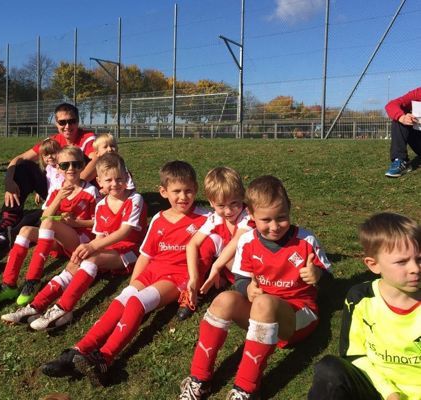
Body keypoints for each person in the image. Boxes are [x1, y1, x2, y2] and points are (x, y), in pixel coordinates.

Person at [40, 160, 218, 386]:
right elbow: (145, 255)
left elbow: (232, 230)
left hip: (176, 278)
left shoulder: (206, 218)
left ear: (196, 190)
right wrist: (132, 284)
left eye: (189, 191)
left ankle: (105, 358)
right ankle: (76, 352)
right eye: (177, 192)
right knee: (121, 301)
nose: (183, 197)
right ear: (163, 192)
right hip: (151, 272)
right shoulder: (159, 220)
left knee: (135, 303)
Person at [178, 175, 332, 400]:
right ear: (250, 215)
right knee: (224, 299)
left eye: (281, 218)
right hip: (262, 315)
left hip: (298, 317)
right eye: (266, 220)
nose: (274, 226)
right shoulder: (248, 240)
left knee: (263, 302)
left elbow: (330, 279)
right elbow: (241, 279)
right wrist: (246, 289)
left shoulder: (305, 240)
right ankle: (199, 380)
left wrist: (318, 275)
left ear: (289, 210)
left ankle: (245, 389)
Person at [1, 153, 147, 331]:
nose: (115, 184)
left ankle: (63, 308)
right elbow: (100, 236)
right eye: (109, 180)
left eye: (119, 179)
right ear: (100, 181)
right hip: (107, 249)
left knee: (91, 259)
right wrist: (87, 249)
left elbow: (125, 233)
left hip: (131, 252)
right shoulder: (102, 205)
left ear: (127, 177)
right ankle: (35, 306)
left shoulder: (135, 199)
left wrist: (91, 247)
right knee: (73, 263)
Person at [308, 212, 420, 400]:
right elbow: (354, 354)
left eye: (419, 259)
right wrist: (390, 393)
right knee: (329, 370)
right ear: (373, 265)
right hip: (377, 388)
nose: (415, 268)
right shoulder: (360, 298)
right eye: (402, 262)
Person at [0, 146, 99, 306]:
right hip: (58, 239)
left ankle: (33, 280)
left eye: (76, 164)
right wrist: (59, 198)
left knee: (49, 223)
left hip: (79, 241)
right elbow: (44, 216)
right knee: (25, 230)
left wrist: (76, 223)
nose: (71, 169)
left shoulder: (91, 191)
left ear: (83, 166)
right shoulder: (57, 189)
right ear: (58, 168)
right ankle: (9, 284)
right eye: (65, 165)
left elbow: (98, 222)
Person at [0, 103, 97, 236]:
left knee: (77, 158)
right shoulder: (53, 141)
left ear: (78, 121)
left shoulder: (87, 138)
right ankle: (10, 217)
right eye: (62, 122)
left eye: (72, 121)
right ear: (56, 123)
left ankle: (10, 236)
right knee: (25, 166)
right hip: (56, 189)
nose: (67, 126)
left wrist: (72, 187)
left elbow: (97, 161)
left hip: (78, 190)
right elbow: (20, 158)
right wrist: (9, 181)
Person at [181, 166, 254, 320]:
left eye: (234, 203)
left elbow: (237, 241)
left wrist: (216, 266)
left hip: (250, 270)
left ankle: (227, 283)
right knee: (209, 241)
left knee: (220, 243)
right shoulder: (215, 218)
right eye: (221, 205)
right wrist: (194, 277)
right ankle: (194, 289)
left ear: (242, 197)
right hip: (230, 266)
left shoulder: (248, 215)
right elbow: (192, 244)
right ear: (212, 203)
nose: (228, 211)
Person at [384, 87, 421, 177]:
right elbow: (391, 104)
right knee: (400, 118)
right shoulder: (418, 93)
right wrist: (402, 117)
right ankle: (400, 160)